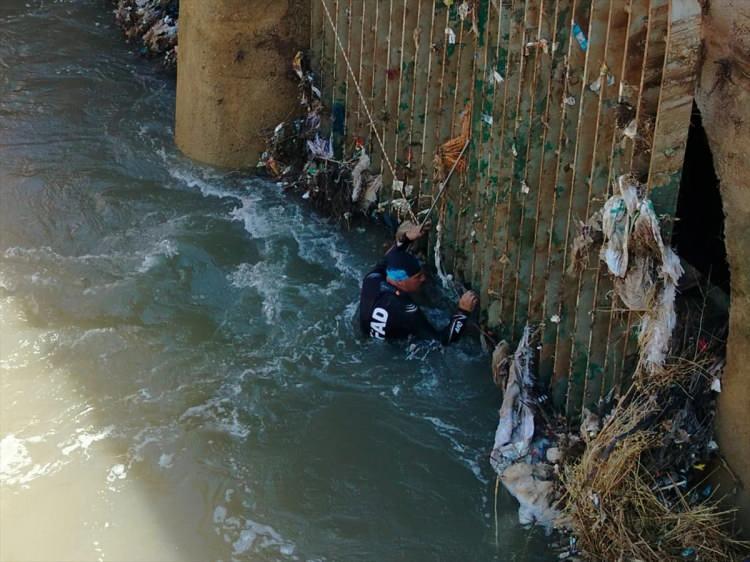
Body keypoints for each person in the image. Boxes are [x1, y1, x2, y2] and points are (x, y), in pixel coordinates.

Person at [358, 222, 478, 344]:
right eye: (417, 277)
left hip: (367, 335)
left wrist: (406, 239)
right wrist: (463, 312)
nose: (423, 278)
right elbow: (441, 341)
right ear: (400, 282)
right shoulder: (407, 310)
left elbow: (389, 258)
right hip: (392, 349)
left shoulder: (372, 279)